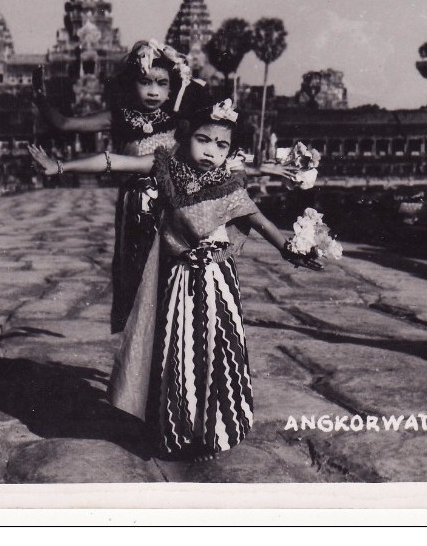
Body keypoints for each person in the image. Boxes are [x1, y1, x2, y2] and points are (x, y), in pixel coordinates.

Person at [28, 98, 318, 460]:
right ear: (185, 136)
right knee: (177, 354)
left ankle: (214, 432)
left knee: (218, 352)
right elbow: (114, 161)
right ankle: (176, 431)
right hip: (178, 279)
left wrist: (297, 250)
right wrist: (59, 167)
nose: (211, 150)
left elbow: (265, 225)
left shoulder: (230, 186)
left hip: (217, 282)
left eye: (221, 144)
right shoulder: (167, 168)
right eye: (203, 139)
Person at [34, 39, 301, 335]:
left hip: (172, 205)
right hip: (134, 205)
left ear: (172, 88)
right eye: (145, 82)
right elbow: (64, 124)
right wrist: (40, 100)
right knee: (135, 278)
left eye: (162, 84)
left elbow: (220, 158)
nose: (153, 91)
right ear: (130, 83)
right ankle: (141, 359)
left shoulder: (180, 124)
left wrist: (267, 168)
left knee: (169, 280)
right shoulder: (118, 117)